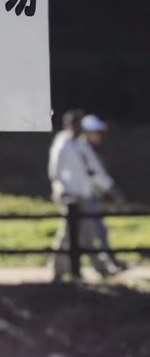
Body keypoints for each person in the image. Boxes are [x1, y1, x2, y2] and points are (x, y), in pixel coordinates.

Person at [51, 112, 126, 278]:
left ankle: (91, 268)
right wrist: (60, 190)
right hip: (70, 196)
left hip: (84, 195)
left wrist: (110, 188)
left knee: (87, 233)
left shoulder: (80, 145)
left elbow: (94, 170)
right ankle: (61, 269)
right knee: (69, 234)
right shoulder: (63, 144)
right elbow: (55, 171)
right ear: (68, 125)